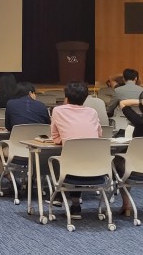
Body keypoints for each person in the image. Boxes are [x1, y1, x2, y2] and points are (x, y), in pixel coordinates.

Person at [50, 82, 102, 220]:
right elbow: (99, 135)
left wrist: (66, 139)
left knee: (63, 158)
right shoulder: (92, 112)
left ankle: (60, 194)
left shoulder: (58, 111)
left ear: (66, 97)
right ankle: (75, 204)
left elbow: (55, 137)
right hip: (97, 168)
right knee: (79, 155)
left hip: (71, 166)